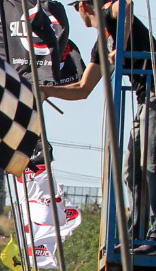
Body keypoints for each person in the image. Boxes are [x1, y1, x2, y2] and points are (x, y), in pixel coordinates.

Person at [43, 0, 156, 252]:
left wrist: (121, 48)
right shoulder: (101, 44)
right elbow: (83, 88)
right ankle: (137, 234)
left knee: (151, 166)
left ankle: (155, 235)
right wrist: (45, 91)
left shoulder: (110, 16)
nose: (77, 13)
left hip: (154, 95)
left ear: (85, 6)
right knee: (131, 171)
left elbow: (126, 4)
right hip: (145, 99)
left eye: (76, 8)